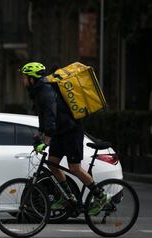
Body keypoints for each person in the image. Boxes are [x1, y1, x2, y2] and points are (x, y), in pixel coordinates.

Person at [19, 62, 108, 215]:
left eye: (24, 77)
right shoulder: (38, 91)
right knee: (53, 165)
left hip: (71, 132)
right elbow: (43, 118)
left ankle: (101, 196)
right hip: (60, 134)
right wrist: (40, 137)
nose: (22, 80)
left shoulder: (45, 92)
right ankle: (68, 197)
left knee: (75, 168)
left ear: (31, 78)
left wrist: (45, 142)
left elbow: (51, 117)